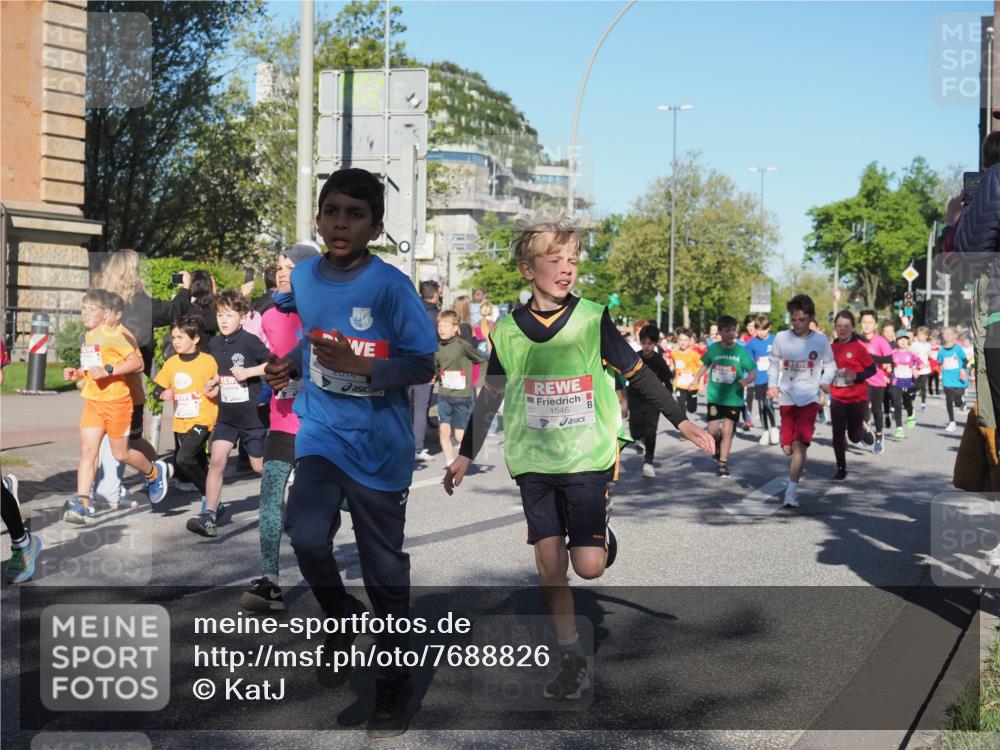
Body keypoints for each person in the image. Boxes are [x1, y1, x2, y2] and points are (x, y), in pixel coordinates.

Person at [442, 219, 714, 702]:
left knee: (588, 568)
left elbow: (638, 375)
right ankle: (571, 658)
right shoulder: (506, 330)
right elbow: (491, 395)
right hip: (533, 460)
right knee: (549, 564)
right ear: (528, 268)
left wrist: (682, 421)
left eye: (573, 260)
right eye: (555, 259)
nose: (566, 268)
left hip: (587, 455)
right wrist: (466, 454)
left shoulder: (592, 318)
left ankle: (600, 535)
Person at [264, 168, 437, 737]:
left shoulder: (390, 287)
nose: (341, 223)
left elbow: (422, 363)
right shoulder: (308, 278)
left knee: (385, 570)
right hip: (321, 434)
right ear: (318, 218)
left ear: (376, 226)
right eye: (332, 211)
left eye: (355, 214)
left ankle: (393, 683)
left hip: (380, 448)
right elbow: (314, 334)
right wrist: (291, 363)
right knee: (306, 533)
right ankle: (340, 614)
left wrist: (364, 366)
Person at [240, 243, 320, 612]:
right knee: (271, 493)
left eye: (290, 266)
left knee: (319, 507)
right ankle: (270, 580)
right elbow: (271, 361)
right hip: (283, 418)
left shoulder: (322, 312)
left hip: (320, 422)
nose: (282, 272)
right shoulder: (270, 316)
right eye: (279, 266)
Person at [62, 289, 169, 523]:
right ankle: (82, 503)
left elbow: (138, 362)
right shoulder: (89, 336)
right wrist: (78, 373)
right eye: (84, 308)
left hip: (117, 402)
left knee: (121, 453)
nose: (85, 313)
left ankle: (153, 472)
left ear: (107, 313)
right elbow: (94, 367)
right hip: (93, 402)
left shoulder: (115, 335)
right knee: (87, 452)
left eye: (92, 309)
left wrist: (109, 370)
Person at [188, 290, 270, 537]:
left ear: (242, 318)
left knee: (259, 467)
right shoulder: (213, 343)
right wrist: (212, 384)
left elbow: (272, 363)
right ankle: (209, 516)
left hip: (251, 416)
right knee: (217, 460)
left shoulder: (250, 341)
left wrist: (249, 372)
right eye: (220, 315)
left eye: (229, 315)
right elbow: (220, 373)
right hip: (227, 416)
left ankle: (290, 491)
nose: (223, 320)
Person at [767, 294, 835, 508]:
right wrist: (772, 385)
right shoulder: (781, 338)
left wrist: (825, 381)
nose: (797, 324)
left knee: (799, 446)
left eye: (802, 319)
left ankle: (791, 492)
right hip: (787, 397)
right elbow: (773, 362)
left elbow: (831, 365)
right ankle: (785, 444)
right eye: (794, 319)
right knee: (787, 448)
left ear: (811, 318)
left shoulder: (820, 340)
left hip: (810, 398)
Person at [152, 315, 218, 508]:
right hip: (181, 421)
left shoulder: (208, 361)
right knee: (197, 463)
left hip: (203, 419)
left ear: (195, 338)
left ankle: (208, 495)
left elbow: (219, 383)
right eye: (173, 338)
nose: (175, 342)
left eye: (180, 337)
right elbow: (156, 389)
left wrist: (215, 386)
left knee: (183, 458)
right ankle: (213, 502)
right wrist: (162, 393)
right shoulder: (172, 363)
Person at [693, 316, 757, 478]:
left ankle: (723, 463)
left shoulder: (740, 351)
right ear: (720, 332)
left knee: (728, 430)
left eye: (733, 330)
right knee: (713, 431)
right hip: (715, 397)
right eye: (727, 330)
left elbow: (753, 371)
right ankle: (718, 444)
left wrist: (747, 380)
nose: (731, 333)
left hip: (733, 398)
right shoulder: (714, 349)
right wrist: (696, 378)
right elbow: (706, 364)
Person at [434, 310, 488, 465]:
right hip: (444, 394)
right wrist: (434, 377)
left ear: (455, 328)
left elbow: (482, 361)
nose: (441, 329)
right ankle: (451, 464)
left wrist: (481, 382)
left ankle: (467, 453)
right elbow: (438, 369)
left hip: (462, 395)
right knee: (444, 431)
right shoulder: (437, 348)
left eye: (445, 326)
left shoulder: (462, 345)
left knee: (459, 436)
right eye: (439, 326)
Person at [829, 311, 876, 481]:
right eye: (839, 326)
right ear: (835, 327)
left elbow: (872, 369)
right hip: (837, 396)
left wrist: (856, 376)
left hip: (856, 397)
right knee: (837, 433)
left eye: (846, 326)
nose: (842, 329)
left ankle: (862, 431)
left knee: (854, 437)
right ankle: (841, 468)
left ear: (852, 328)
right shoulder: (831, 348)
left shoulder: (858, 348)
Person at [626, 323, 674, 478]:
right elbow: (625, 375)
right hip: (635, 398)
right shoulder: (635, 358)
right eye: (644, 343)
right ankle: (639, 439)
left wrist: (666, 398)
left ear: (655, 343)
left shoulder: (659, 361)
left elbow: (668, 381)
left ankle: (648, 462)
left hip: (653, 401)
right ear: (640, 342)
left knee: (651, 431)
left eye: (650, 344)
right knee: (635, 431)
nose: (647, 347)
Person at [410, 279, 441, 462]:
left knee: (405, 407)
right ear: (435, 294)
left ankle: (404, 445)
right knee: (421, 408)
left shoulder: (410, 310)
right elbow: (438, 345)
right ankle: (418, 448)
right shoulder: (437, 317)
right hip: (424, 364)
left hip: (404, 363)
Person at [859, 310, 893, 455]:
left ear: (875, 325)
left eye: (870, 323)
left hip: (877, 380)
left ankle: (879, 436)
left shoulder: (880, 341)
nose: (867, 326)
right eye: (864, 322)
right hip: (861, 380)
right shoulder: (857, 340)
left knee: (876, 410)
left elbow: (889, 359)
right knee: (861, 407)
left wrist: (872, 358)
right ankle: (864, 431)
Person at [745, 315, 778, 445]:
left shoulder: (775, 340)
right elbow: (748, 360)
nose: (761, 333)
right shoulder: (752, 343)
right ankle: (765, 431)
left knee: (768, 404)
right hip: (758, 378)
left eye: (764, 330)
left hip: (771, 378)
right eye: (758, 330)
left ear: (769, 328)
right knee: (761, 405)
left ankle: (774, 428)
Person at [888, 332, 921, 438]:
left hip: (908, 382)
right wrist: (888, 367)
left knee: (907, 402)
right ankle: (899, 428)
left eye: (905, 339)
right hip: (896, 382)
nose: (903, 341)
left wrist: (916, 370)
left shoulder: (911, 353)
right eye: (900, 339)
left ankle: (911, 414)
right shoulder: (893, 353)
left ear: (908, 341)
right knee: (897, 403)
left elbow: (920, 363)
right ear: (896, 341)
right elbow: (887, 363)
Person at [938, 326, 970, 433]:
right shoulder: (941, 350)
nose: (947, 335)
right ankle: (952, 422)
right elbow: (940, 363)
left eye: (949, 333)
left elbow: (965, 360)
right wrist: (940, 373)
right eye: (945, 334)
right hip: (947, 378)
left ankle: (961, 404)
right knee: (948, 399)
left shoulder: (958, 348)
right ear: (942, 336)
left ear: (954, 336)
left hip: (958, 378)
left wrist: (962, 370)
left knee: (957, 401)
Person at [671, 328, 702, 417]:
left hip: (692, 385)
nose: (683, 342)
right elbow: (674, 365)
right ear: (677, 340)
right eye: (680, 340)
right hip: (680, 384)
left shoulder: (694, 355)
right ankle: (684, 426)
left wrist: (701, 382)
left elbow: (702, 368)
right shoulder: (674, 353)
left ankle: (694, 399)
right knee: (680, 407)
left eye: (685, 340)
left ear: (690, 341)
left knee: (691, 409)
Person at [911, 326, 933, 412]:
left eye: (923, 335)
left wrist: (929, 359)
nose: (921, 337)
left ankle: (923, 404)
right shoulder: (914, 345)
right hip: (916, 369)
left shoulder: (928, 345)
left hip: (926, 369)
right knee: (916, 385)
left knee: (923, 386)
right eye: (919, 335)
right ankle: (911, 399)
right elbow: (912, 357)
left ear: (926, 336)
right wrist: (913, 367)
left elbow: (929, 355)